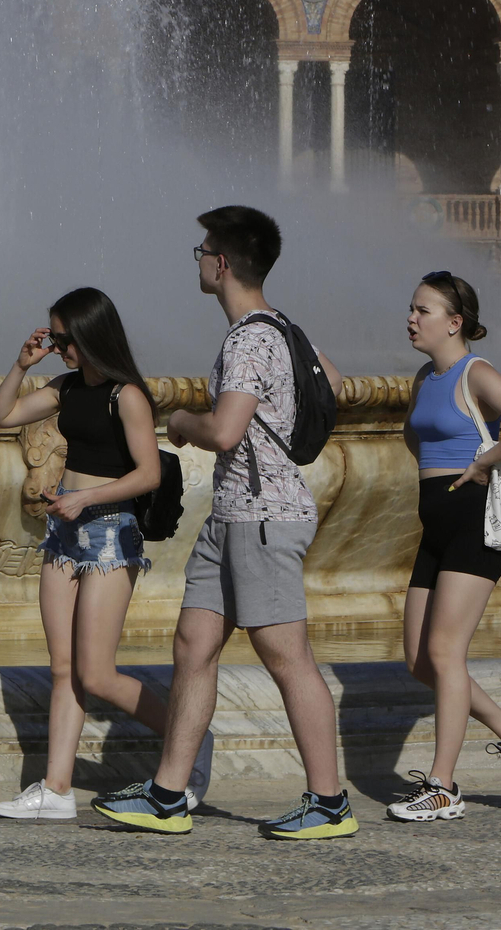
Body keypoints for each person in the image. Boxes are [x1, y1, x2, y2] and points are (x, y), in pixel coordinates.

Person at [92, 205, 357, 839]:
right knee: (193, 646)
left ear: (223, 263)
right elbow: (334, 381)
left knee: (286, 655)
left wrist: (182, 423)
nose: (199, 259)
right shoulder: (281, 329)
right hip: (235, 513)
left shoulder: (247, 337)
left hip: (263, 517)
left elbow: (226, 430)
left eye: (202, 250)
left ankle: (329, 803)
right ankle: (168, 794)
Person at [0, 286, 213, 820]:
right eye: (54, 337)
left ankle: (192, 736)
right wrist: (20, 366)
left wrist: (84, 496)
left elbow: (147, 473)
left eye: (65, 339)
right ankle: (57, 789)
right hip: (64, 533)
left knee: (96, 673)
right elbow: (1, 416)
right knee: (62, 668)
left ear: (91, 335)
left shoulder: (126, 395)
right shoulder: (64, 388)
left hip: (110, 532)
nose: (58, 347)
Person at [387, 271, 501, 822]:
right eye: (412, 309)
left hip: (476, 522)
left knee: (444, 653)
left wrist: (484, 460)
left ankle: (442, 786)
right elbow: (418, 436)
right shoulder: (423, 377)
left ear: (454, 323)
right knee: (418, 660)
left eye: (423, 311)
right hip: (438, 523)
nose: (411, 318)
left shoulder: (474, 372)